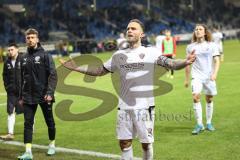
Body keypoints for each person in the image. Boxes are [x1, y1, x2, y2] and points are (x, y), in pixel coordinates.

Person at [60, 19, 196, 160]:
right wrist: (76, 68)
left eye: (133, 28)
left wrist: (185, 62)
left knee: (146, 144)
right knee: (124, 143)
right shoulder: (118, 55)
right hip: (124, 106)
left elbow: (171, 63)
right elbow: (100, 70)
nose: (129, 30)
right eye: (128, 28)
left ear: (141, 34)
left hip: (144, 107)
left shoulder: (150, 52)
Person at [17, 28, 58, 160]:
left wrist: (50, 93)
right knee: (27, 123)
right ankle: (28, 152)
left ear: (37, 39)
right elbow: (21, 79)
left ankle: (52, 144)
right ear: (26, 39)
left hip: (44, 96)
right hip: (28, 96)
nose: (30, 40)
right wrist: (21, 96)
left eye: (32, 37)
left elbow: (53, 75)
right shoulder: (23, 58)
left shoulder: (46, 56)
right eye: (28, 38)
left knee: (49, 121)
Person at [184, 24, 220, 135]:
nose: (198, 31)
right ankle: (199, 124)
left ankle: (209, 122)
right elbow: (188, 64)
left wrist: (214, 74)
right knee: (195, 97)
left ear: (205, 32)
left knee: (209, 99)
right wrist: (186, 79)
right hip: (196, 77)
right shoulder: (190, 47)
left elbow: (217, 61)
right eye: (196, 29)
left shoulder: (212, 45)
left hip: (209, 77)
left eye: (200, 29)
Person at [0, 43, 23, 141]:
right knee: (10, 111)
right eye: (8, 50)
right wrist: (7, 87)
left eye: (12, 49)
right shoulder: (7, 62)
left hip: (23, 92)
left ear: (17, 50)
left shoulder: (23, 60)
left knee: (28, 111)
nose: (10, 51)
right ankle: (10, 133)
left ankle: (31, 129)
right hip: (11, 92)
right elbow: (4, 75)